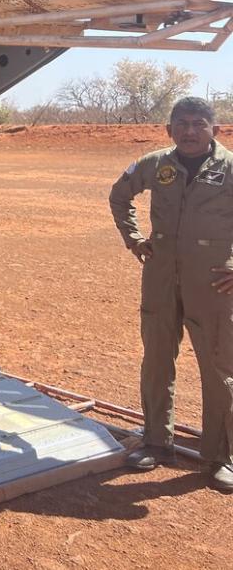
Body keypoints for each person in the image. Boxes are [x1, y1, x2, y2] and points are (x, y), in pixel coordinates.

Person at [108, 96, 233, 493]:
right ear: (169, 129)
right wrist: (133, 239)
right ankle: (157, 442)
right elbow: (119, 195)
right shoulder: (155, 163)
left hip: (213, 280)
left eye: (199, 123)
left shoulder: (229, 168)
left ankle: (219, 456)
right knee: (157, 359)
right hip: (160, 275)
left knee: (219, 369)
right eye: (182, 123)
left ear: (215, 129)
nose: (190, 131)